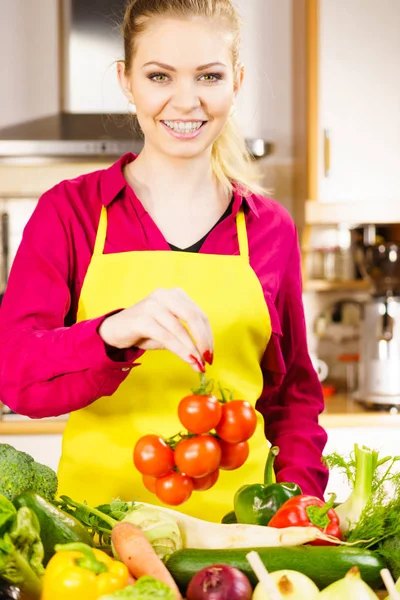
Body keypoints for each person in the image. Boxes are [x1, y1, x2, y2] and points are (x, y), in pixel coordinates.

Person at [0, 0, 328, 521]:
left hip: (236, 539)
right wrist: (113, 332)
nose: (186, 101)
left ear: (236, 82)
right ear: (126, 81)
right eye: (160, 76)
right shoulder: (70, 212)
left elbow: (291, 400)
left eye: (209, 76)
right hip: (96, 533)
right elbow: (16, 376)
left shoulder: (270, 229)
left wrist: (299, 507)